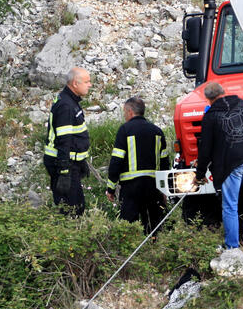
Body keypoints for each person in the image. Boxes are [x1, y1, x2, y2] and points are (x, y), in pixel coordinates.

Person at [193, 82, 243, 250]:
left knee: (230, 206)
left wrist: (199, 175)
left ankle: (232, 248)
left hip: (231, 164)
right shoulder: (242, 104)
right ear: (223, 92)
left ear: (208, 100)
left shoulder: (210, 116)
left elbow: (205, 150)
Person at [106, 96, 169, 234]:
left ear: (130, 112)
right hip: (153, 187)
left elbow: (116, 161)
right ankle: (154, 245)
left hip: (131, 188)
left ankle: (131, 246)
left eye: (124, 112)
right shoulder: (157, 131)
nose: (124, 115)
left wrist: (111, 188)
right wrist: (165, 189)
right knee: (153, 225)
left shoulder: (125, 130)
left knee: (127, 227)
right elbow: (165, 163)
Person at [43, 67, 91, 215]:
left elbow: (74, 136)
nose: (90, 85)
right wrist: (64, 171)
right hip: (62, 163)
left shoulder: (70, 101)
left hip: (70, 162)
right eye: (87, 82)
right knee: (71, 209)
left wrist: (81, 161)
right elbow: (64, 140)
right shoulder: (66, 105)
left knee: (77, 205)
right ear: (75, 83)